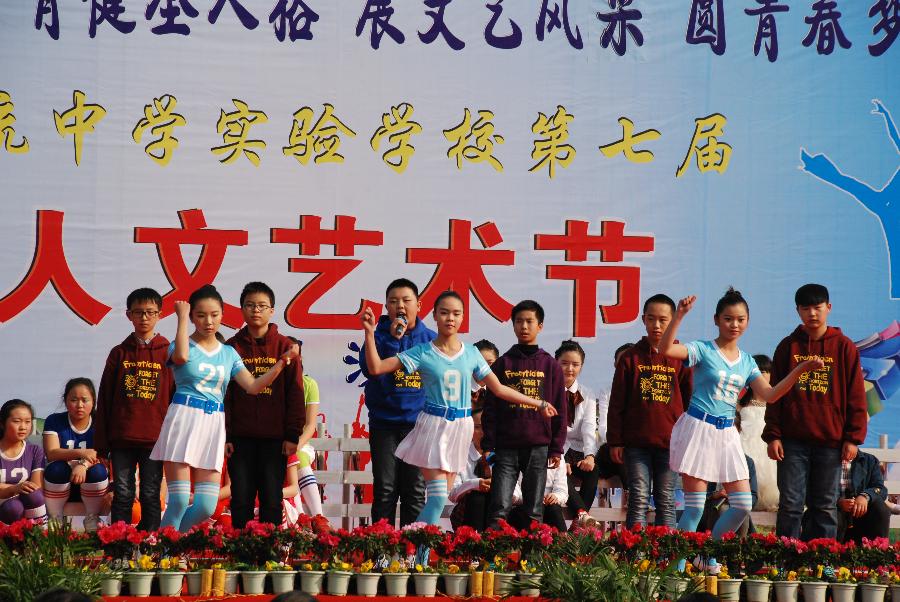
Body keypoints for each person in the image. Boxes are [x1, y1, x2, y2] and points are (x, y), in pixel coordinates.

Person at [360, 290, 556, 526]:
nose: (450, 318)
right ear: (434, 315)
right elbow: (377, 368)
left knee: (438, 499)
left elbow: (499, 389)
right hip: (433, 426)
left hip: (461, 428)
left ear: (463, 317)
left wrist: (539, 403)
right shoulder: (423, 351)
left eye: (456, 313)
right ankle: (412, 544)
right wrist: (369, 333)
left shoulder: (471, 353)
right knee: (436, 499)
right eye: (444, 313)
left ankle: (416, 545)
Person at [659, 289, 823, 541]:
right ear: (716, 320)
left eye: (740, 319)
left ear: (747, 321)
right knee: (694, 508)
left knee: (743, 504)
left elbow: (770, 395)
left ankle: (709, 553)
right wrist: (679, 316)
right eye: (728, 319)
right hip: (699, 428)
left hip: (727, 434)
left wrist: (799, 370)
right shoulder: (703, 349)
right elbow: (666, 349)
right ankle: (677, 563)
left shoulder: (747, 361)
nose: (734, 325)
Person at [149, 285, 299, 532]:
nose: (208, 321)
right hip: (184, 419)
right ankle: (162, 549)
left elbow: (253, 386)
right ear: (192, 316)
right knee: (178, 501)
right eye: (200, 315)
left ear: (222, 315)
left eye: (214, 315)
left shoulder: (229, 352)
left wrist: (282, 363)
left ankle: (173, 543)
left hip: (212, 425)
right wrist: (181, 318)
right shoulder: (179, 344)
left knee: (206, 506)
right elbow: (182, 358)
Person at [763, 283, 868, 540]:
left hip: (830, 442)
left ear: (828, 308)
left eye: (817, 307)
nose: (812, 313)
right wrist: (774, 435)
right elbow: (774, 394)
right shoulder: (787, 347)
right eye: (806, 308)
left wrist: (853, 438)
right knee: (790, 505)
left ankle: (822, 559)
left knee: (825, 506)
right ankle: (785, 558)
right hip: (792, 442)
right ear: (797, 311)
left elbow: (856, 395)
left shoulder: (844, 347)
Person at [607, 295, 693, 529]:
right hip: (636, 444)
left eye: (663, 320)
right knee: (638, 498)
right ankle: (635, 549)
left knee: (666, 499)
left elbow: (690, 402)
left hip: (671, 444)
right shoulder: (630, 358)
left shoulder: (682, 357)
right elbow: (617, 403)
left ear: (673, 321)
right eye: (651, 319)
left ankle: (666, 550)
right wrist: (615, 441)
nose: (656, 325)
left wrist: (688, 440)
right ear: (643, 319)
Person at [224, 282, 305, 529]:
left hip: (275, 440)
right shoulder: (232, 347)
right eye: (250, 305)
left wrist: (292, 435)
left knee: (271, 499)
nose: (255, 310)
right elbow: (225, 395)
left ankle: (269, 549)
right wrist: (226, 436)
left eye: (261, 306)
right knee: (241, 499)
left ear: (272, 310)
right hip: (240, 439)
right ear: (242, 309)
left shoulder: (285, 348)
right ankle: (241, 548)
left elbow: (295, 394)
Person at [482, 300, 567, 529]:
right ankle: (496, 548)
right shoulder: (503, 364)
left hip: (538, 446)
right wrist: (488, 443)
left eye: (529, 321)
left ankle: (533, 550)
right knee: (499, 506)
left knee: (534, 509)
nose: (524, 326)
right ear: (513, 325)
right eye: (519, 321)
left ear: (540, 326)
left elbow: (559, 409)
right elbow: (490, 408)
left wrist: (556, 447)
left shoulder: (550, 365)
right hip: (506, 446)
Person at [94, 287, 173, 531]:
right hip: (122, 438)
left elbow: (174, 398)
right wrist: (102, 444)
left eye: (150, 312)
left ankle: (150, 546)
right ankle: (119, 544)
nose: (144, 317)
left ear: (160, 314)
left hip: (155, 439)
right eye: (138, 312)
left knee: (150, 494)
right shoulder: (119, 353)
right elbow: (104, 398)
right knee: (123, 493)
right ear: (129, 315)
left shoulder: (168, 352)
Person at [359, 279, 435, 527]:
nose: (400, 306)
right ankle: (382, 547)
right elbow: (370, 369)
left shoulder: (431, 340)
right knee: (385, 490)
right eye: (393, 301)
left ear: (418, 305)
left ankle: (413, 548)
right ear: (386, 307)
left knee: (415, 491)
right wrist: (392, 339)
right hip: (384, 426)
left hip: (419, 427)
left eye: (406, 300)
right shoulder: (377, 337)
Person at [42, 378, 109, 531]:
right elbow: (51, 453)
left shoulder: (101, 422)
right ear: (65, 401)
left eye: (85, 400)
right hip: (61, 483)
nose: (79, 405)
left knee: (98, 470)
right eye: (73, 400)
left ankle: (92, 517)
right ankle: (55, 518)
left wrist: (83, 465)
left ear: (93, 401)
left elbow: (102, 454)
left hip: (91, 484)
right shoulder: (54, 420)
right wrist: (81, 453)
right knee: (56, 469)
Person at [448, 405, 521, 531]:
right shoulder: (459, 454)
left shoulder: (503, 455)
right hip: (466, 512)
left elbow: (518, 496)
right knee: (477, 498)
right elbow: (452, 494)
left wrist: (500, 487)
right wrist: (476, 484)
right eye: (477, 427)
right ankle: (473, 540)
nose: (483, 432)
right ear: (468, 430)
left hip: (499, 511)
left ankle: (494, 538)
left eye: (487, 427)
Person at [555, 340, 600, 528]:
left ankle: (578, 523)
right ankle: (582, 515)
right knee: (557, 470)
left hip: (577, 449)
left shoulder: (587, 394)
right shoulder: (547, 391)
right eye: (564, 363)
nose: (570, 369)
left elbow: (589, 427)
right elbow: (549, 428)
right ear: (555, 363)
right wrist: (558, 456)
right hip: (556, 448)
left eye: (575, 364)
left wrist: (590, 456)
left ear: (581, 366)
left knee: (593, 470)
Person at [0, 399, 46, 523]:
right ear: (2, 423)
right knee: (13, 508)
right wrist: (15, 488)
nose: (23, 427)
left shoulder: (35, 450)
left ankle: (41, 531)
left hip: (23, 504)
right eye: (16, 421)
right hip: (5, 507)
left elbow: (36, 487)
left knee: (33, 494)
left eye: (28, 422)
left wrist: (20, 489)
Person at [295, 373, 323, 516]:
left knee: (295, 457)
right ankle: (299, 517)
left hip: (300, 445)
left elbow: (310, 426)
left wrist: (295, 446)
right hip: (275, 445)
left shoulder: (309, 384)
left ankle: (318, 516)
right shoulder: (272, 384)